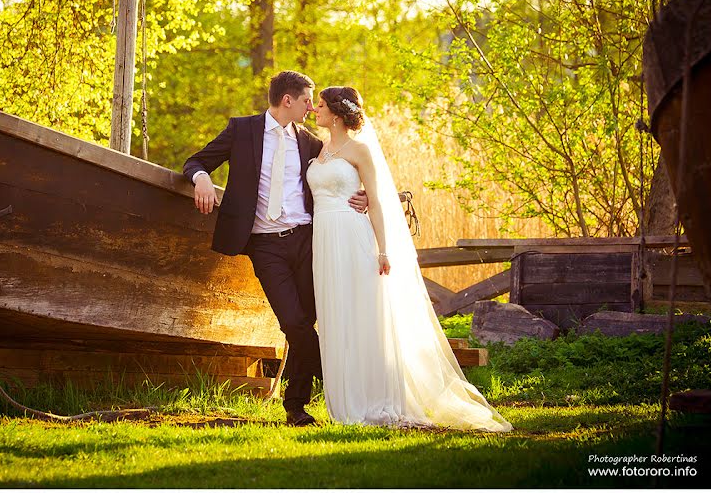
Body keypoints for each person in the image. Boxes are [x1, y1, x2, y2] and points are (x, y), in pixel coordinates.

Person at [307, 86, 512, 432]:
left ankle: (375, 399)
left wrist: (383, 249)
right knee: (335, 316)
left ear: (338, 115)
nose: (316, 110)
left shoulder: (361, 150)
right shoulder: (321, 148)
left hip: (355, 238)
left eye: (322, 106)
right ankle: (343, 402)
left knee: (364, 316)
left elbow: (378, 200)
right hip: (324, 240)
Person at [183, 70, 367, 427]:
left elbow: (347, 168)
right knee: (294, 324)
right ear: (288, 100)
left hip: (309, 241)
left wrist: (365, 195)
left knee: (307, 322)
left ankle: (296, 408)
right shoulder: (242, 130)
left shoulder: (311, 142)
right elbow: (196, 161)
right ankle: (341, 378)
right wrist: (202, 178)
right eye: (306, 101)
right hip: (265, 246)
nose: (311, 108)